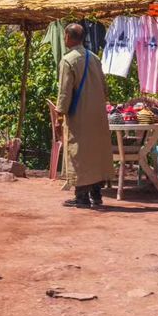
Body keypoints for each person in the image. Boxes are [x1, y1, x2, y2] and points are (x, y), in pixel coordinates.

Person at [55, 21, 114, 208]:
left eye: (65, 36)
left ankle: (81, 197)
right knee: (96, 154)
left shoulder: (68, 60)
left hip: (79, 115)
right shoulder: (95, 58)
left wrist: (60, 114)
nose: (64, 39)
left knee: (78, 153)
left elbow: (65, 92)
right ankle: (97, 195)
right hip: (98, 115)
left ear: (69, 38)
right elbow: (104, 88)